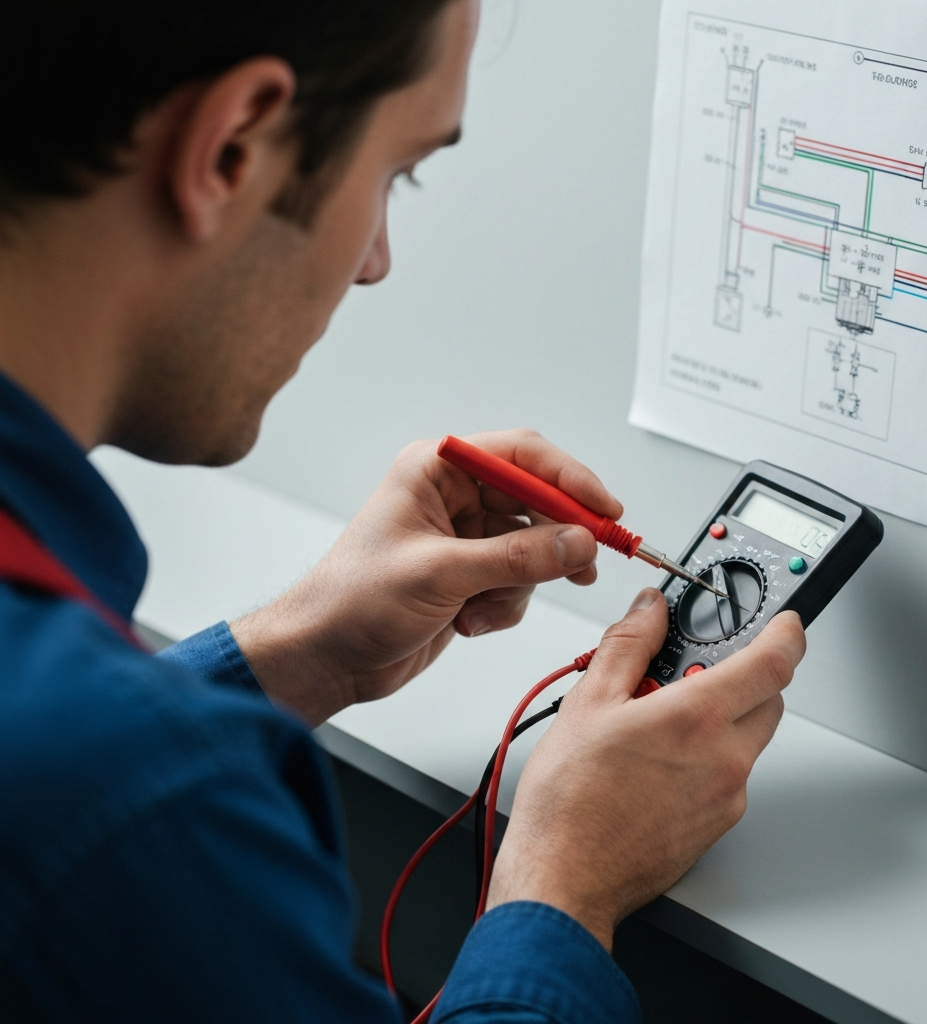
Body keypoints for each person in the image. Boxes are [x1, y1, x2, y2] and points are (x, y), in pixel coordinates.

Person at [0, 1, 806, 1021]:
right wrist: (562, 881)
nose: (375, 259)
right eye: (396, 172)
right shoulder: (117, 795)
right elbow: (87, 794)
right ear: (232, 146)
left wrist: (300, 653)